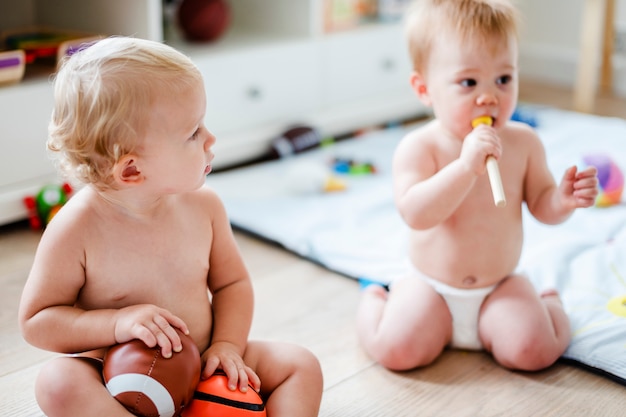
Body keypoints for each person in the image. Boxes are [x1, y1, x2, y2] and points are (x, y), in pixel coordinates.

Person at [18, 37, 323, 417]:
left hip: (206, 363)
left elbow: (232, 284)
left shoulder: (204, 205)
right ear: (132, 169)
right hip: (120, 385)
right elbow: (37, 321)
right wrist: (117, 323)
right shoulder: (75, 229)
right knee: (57, 382)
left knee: (301, 365)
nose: (211, 139)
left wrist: (227, 346)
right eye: (193, 133)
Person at [356, 0, 599, 372]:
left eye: (503, 79)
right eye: (468, 82)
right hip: (431, 287)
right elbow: (416, 214)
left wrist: (563, 201)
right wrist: (466, 167)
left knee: (534, 351)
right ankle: (376, 300)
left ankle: (550, 303)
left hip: (498, 286)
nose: (489, 97)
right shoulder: (420, 147)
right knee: (396, 350)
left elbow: (542, 206)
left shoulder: (524, 142)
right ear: (424, 89)